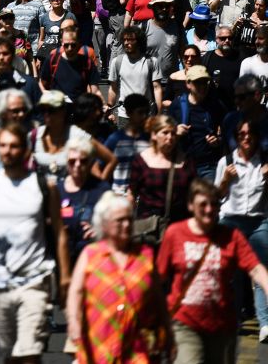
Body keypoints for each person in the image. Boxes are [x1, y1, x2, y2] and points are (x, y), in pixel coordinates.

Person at [0, 122, 71, 364]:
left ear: (26, 151)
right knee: (9, 356)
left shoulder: (44, 186)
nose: (7, 151)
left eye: (14, 146)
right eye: (3, 146)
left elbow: (59, 233)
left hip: (35, 279)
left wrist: (64, 277)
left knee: (29, 353)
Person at [158, 179, 268, 363]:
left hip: (222, 326)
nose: (209, 209)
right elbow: (159, 277)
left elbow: (256, 269)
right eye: (203, 204)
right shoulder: (174, 234)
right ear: (190, 205)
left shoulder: (231, 237)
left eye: (214, 204)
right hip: (184, 323)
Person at [66, 191, 173, 363]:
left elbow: (158, 297)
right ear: (105, 224)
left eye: (129, 220)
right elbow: (75, 292)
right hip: (98, 345)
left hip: (137, 349)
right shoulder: (90, 254)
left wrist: (167, 331)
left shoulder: (145, 255)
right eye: (120, 220)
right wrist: (74, 323)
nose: (126, 224)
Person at [214, 117, 268, 341]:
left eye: (250, 134)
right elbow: (217, 196)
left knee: (261, 271)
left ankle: (265, 323)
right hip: (231, 220)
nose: (246, 138)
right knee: (232, 274)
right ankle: (233, 320)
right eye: (241, 134)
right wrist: (225, 179)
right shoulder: (226, 162)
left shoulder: (263, 162)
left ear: (256, 137)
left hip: (258, 221)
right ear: (236, 138)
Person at [129, 114, 196, 233]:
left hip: (179, 226)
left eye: (173, 133)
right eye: (165, 133)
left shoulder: (186, 161)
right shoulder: (141, 161)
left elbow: (194, 193)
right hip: (148, 228)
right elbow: (131, 194)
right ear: (154, 135)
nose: (170, 137)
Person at [32, 90, 116, 184]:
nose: (46, 114)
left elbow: (111, 160)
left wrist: (101, 186)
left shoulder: (79, 135)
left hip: (69, 192)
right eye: (43, 110)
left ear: (63, 111)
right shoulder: (34, 135)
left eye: (51, 110)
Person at [56, 134, 111, 264]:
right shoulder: (57, 190)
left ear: (91, 162)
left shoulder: (102, 189)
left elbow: (113, 223)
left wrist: (99, 230)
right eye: (72, 161)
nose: (77, 165)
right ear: (66, 162)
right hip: (63, 257)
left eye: (83, 161)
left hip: (93, 257)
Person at [169, 65, 227, 180]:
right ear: (188, 84)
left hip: (208, 165)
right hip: (183, 164)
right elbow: (164, 132)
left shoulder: (216, 106)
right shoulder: (177, 105)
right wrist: (175, 132)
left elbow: (227, 133)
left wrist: (218, 140)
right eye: (197, 83)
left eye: (205, 82)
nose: (202, 87)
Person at [107, 26, 163, 121]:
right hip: (125, 116)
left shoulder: (151, 62)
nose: (126, 43)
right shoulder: (117, 62)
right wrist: (109, 110)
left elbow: (157, 88)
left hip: (147, 115)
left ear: (139, 42)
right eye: (124, 40)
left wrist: (159, 113)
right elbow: (113, 88)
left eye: (130, 40)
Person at [103, 93, 153, 193]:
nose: (144, 116)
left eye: (146, 112)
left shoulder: (150, 139)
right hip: (120, 194)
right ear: (128, 112)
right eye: (140, 112)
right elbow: (100, 165)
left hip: (144, 196)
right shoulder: (116, 139)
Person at [38, 29, 100, 101]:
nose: (70, 48)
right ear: (62, 42)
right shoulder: (52, 60)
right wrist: (49, 96)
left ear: (79, 43)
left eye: (73, 45)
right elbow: (41, 84)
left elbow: (95, 90)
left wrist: (102, 104)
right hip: (58, 105)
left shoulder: (87, 62)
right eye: (66, 45)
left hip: (79, 106)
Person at [202, 24, 244, 107]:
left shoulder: (240, 57)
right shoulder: (207, 58)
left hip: (234, 106)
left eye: (230, 38)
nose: (227, 41)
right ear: (216, 39)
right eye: (223, 38)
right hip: (212, 106)